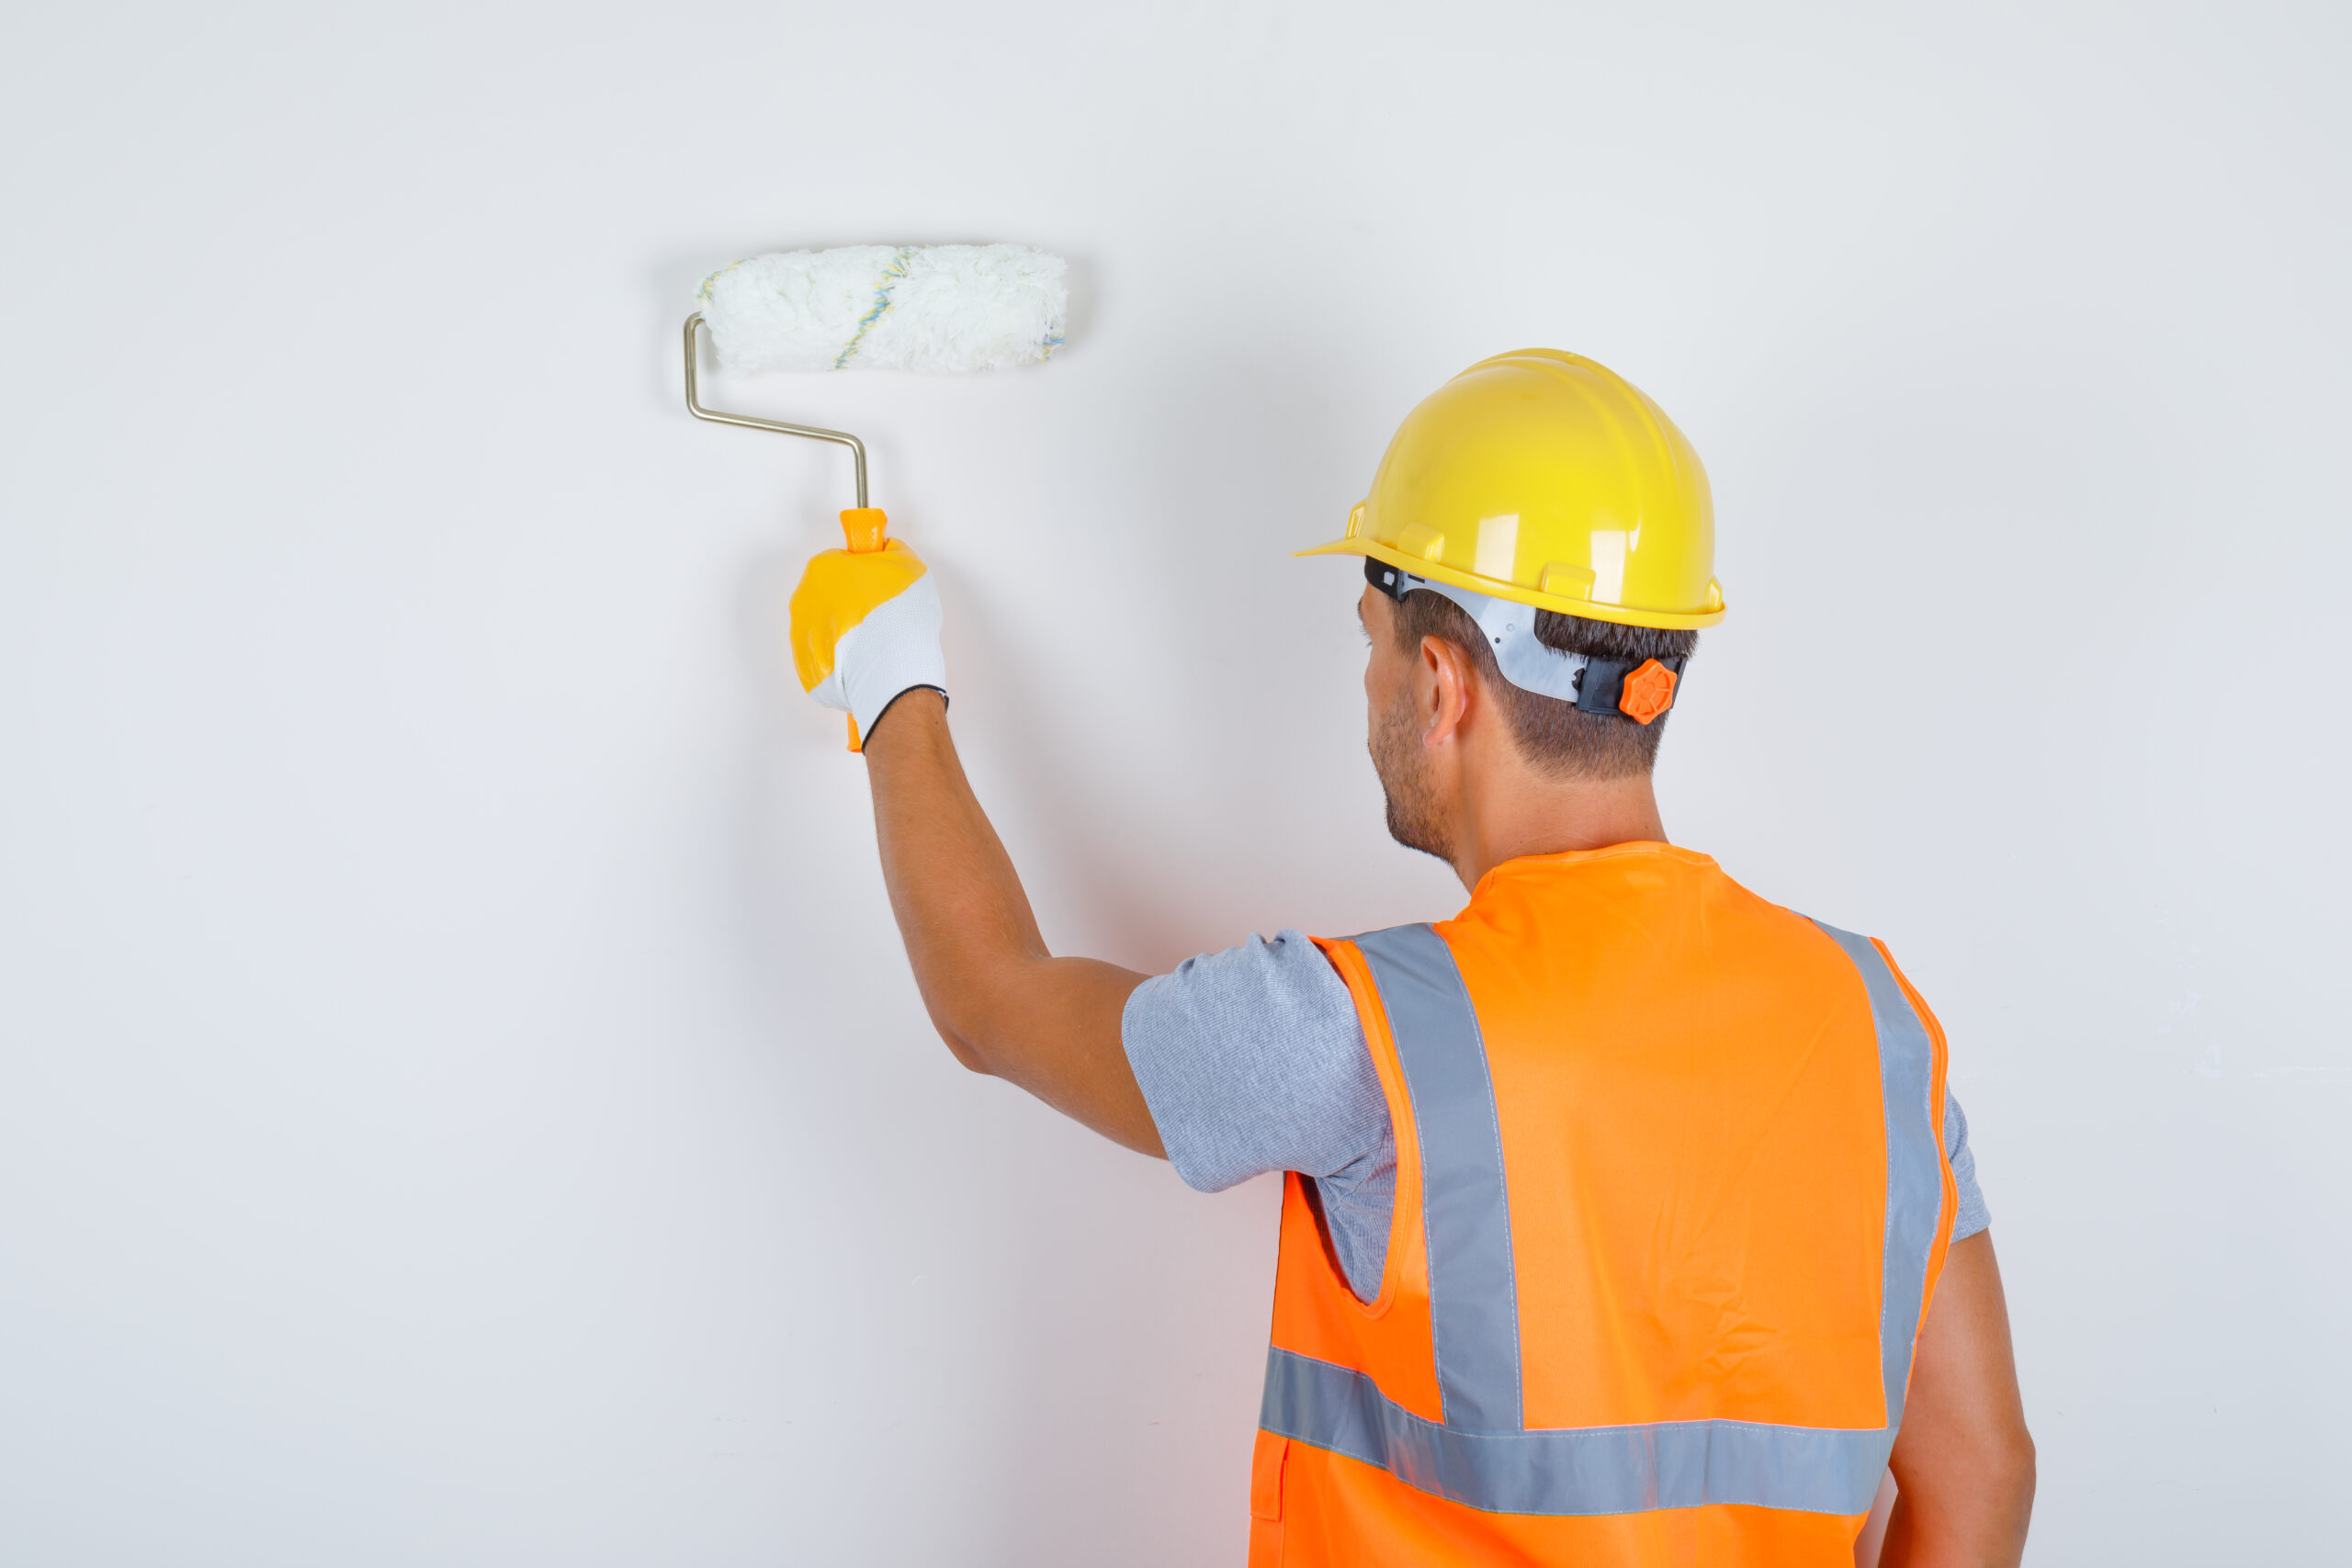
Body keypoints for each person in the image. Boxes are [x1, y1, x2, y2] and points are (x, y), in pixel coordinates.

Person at [786, 350, 2035, 1566]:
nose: (1370, 680)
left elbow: (992, 999)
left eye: (1371, 637)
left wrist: (892, 682)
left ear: (1439, 682)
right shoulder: (1876, 1029)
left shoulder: (1356, 1032)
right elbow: (1980, 1476)